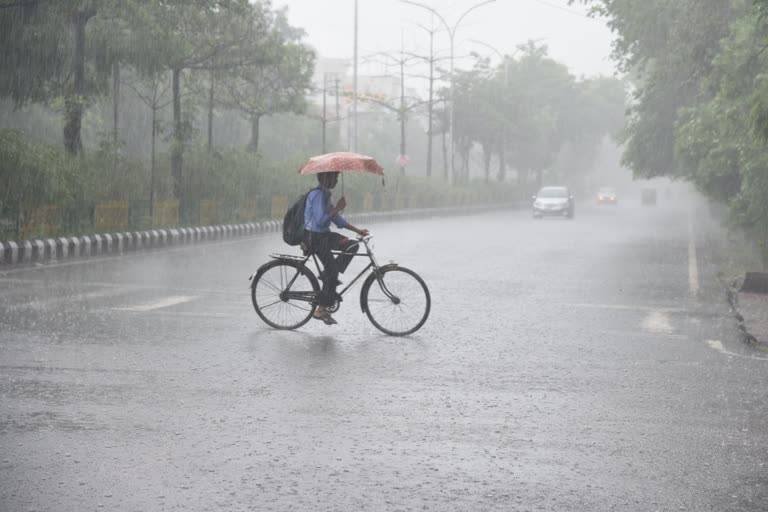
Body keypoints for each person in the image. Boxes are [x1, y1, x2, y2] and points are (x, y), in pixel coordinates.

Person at [303, 171, 369, 324]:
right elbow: (320, 221)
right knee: (332, 272)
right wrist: (338, 207)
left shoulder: (326, 194)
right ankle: (320, 309)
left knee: (352, 245)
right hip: (315, 238)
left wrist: (358, 231)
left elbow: (337, 220)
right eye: (335, 177)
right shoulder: (317, 195)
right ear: (326, 177)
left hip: (324, 235)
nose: (337, 180)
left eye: (338, 177)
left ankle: (328, 275)